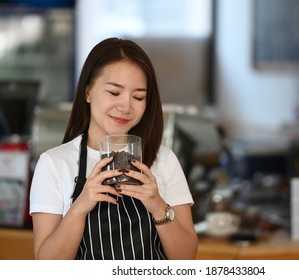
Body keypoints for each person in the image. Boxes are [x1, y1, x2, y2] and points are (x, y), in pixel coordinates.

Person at [29, 38, 198, 260]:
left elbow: (186, 259)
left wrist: (157, 205)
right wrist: (80, 206)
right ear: (87, 91)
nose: (126, 107)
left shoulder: (164, 160)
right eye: (114, 93)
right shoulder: (54, 164)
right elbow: (47, 267)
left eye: (138, 97)